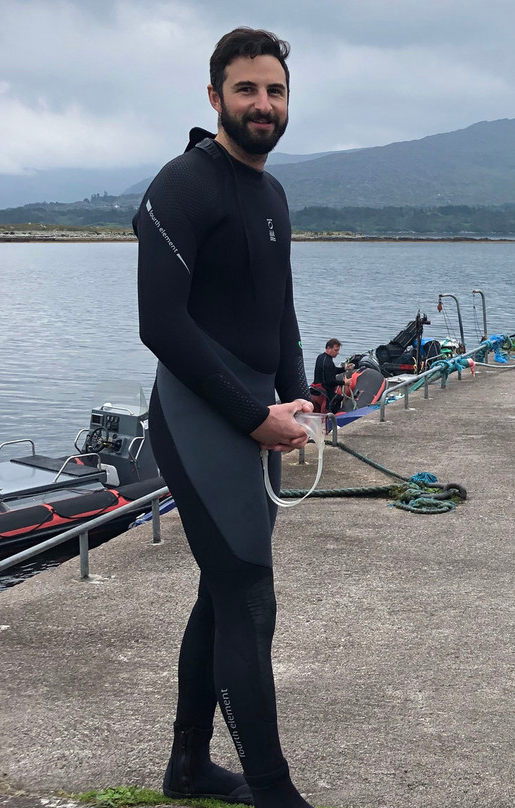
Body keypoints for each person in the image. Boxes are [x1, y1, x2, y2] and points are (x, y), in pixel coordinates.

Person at [134, 27, 316, 808]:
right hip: (199, 414)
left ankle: (188, 768)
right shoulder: (183, 185)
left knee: (221, 592)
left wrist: (302, 400)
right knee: (247, 597)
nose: (262, 104)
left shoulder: (272, 194)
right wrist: (251, 417)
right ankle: (272, 791)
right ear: (215, 97)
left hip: (256, 416)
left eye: (275, 90)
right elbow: (161, 325)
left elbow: (280, 310)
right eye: (247, 89)